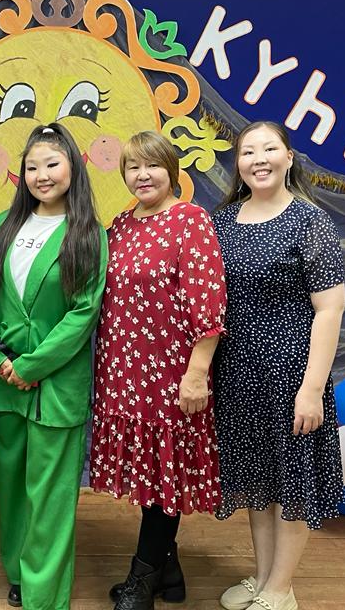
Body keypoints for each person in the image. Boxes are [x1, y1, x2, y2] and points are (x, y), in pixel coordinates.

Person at [212, 121, 345, 610]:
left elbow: (330, 309)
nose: (258, 159)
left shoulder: (310, 222)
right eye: (248, 151)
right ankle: (263, 575)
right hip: (237, 373)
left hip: (291, 373)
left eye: (269, 149)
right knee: (257, 478)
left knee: (291, 479)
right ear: (238, 164)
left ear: (289, 158)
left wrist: (311, 389)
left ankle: (280, 589)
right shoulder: (223, 221)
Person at [91, 130, 227, 610]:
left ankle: (141, 580)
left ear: (171, 170)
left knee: (163, 473)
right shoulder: (121, 224)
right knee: (150, 475)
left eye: (152, 165)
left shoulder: (190, 221)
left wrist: (197, 372)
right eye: (133, 167)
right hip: (124, 372)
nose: (142, 175)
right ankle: (169, 573)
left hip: (171, 372)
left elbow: (209, 304)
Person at [0, 123, 108, 610]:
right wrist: (0, 360)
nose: (42, 175)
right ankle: (18, 571)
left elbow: (83, 313)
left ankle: (45, 597)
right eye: (32, 167)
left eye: (52, 164)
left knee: (51, 495)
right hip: (4, 380)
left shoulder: (89, 234)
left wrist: (32, 365)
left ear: (73, 166)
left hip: (55, 382)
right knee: (12, 487)